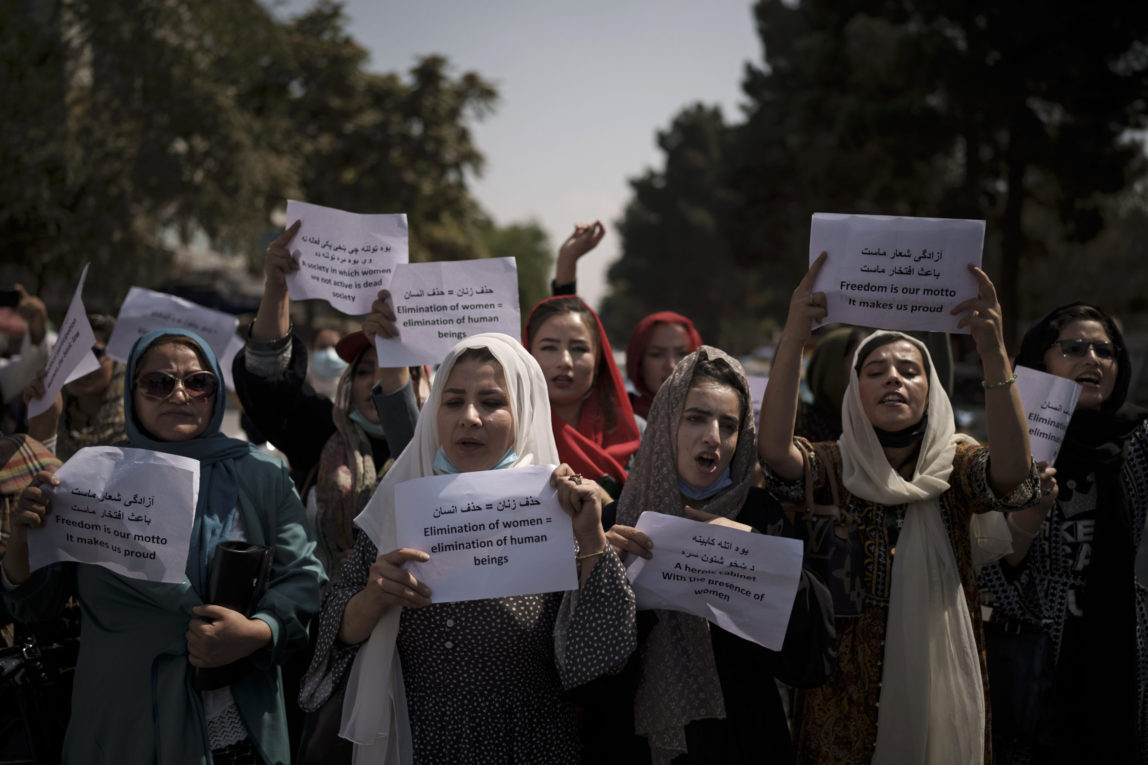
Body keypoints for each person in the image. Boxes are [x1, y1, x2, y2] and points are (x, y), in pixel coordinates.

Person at [299, 333, 636, 764]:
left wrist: (592, 540)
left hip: (526, 746)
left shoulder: (559, 514)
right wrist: (371, 599)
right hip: (414, 743)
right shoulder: (402, 507)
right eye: (454, 401)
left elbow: (601, 659)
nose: (470, 418)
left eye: (492, 402)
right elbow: (334, 632)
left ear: (525, 413)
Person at [758, 253, 1039, 764]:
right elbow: (775, 452)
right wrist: (795, 334)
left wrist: (994, 353)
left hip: (938, 680)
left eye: (910, 371)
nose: (894, 379)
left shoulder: (956, 466)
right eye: (876, 370)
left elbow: (1015, 474)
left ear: (930, 391)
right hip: (838, 694)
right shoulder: (831, 467)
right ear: (854, 389)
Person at [3, 329, 324, 763]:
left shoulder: (260, 474)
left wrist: (257, 632)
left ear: (215, 394)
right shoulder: (91, 478)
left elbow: (303, 578)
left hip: (234, 727)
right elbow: (37, 606)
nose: (179, 394)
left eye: (198, 382)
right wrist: (22, 544)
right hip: (119, 730)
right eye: (158, 383)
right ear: (131, 393)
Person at [603, 346, 835, 764]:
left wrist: (756, 558)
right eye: (695, 418)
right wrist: (603, 577)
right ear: (665, 423)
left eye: (729, 425)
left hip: (743, 741)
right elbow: (589, 681)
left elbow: (810, 662)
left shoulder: (759, 516)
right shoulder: (617, 521)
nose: (713, 435)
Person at [978, 302, 1147, 764]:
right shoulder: (1011, 445)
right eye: (1073, 348)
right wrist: (1033, 509)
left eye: (1104, 351)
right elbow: (995, 566)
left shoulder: (1137, 442)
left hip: (1117, 650)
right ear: (1041, 362)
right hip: (1033, 661)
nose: (1092, 359)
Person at [232, 222, 419, 578]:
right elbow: (270, 388)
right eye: (364, 371)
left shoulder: (443, 445)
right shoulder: (323, 433)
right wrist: (276, 290)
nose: (374, 383)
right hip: (322, 617)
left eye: (392, 369)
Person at [524, 296, 642, 501]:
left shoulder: (636, 432)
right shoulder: (511, 431)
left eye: (579, 349)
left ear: (598, 362)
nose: (565, 361)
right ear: (526, 355)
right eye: (549, 348)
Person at [24, 314, 125, 460]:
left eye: (93, 353)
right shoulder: (51, 415)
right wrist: (42, 424)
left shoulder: (134, 427)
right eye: (71, 353)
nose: (80, 364)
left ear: (116, 361)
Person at [624, 311, 703, 420]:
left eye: (682, 353)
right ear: (639, 365)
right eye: (657, 355)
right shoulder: (619, 421)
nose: (671, 365)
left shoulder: (718, 415)